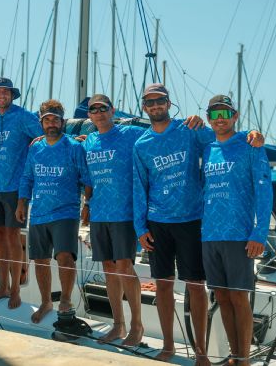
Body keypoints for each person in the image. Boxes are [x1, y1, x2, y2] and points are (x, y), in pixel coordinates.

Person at [133, 85, 264, 363]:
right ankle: (169, 347)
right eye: (150, 102)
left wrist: (254, 135)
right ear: (144, 107)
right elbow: (138, 187)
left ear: (169, 103)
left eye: (160, 101)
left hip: (193, 220)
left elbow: (225, 137)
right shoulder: (141, 144)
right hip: (158, 222)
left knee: (197, 286)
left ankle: (203, 354)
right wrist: (140, 227)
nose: (155, 106)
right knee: (164, 285)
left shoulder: (191, 130)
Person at [81, 93, 203, 346]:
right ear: (89, 115)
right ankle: (118, 325)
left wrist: (192, 121)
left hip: (126, 212)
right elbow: (88, 176)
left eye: (103, 108)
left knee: (125, 267)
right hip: (99, 213)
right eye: (93, 109)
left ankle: (137, 326)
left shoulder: (131, 135)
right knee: (108, 269)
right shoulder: (88, 141)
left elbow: (161, 132)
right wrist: (86, 203)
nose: (99, 113)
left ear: (113, 110)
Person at [202, 95, 272, 366]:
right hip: (210, 234)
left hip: (239, 233)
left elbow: (264, 190)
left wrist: (260, 233)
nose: (220, 120)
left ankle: (244, 359)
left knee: (239, 297)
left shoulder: (250, 145)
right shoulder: (207, 149)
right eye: (214, 115)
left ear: (235, 115)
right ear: (209, 119)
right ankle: (235, 354)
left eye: (225, 114)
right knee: (221, 296)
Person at [16, 100, 92, 323]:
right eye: (47, 119)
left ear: (62, 121)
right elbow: (27, 177)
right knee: (39, 259)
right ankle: (46, 302)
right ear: (41, 122)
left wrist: (87, 204)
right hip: (38, 211)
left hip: (65, 211)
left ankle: (66, 300)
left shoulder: (74, 147)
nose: (51, 123)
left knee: (65, 257)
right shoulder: (35, 147)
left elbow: (86, 179)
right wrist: (22, 203)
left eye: (55, 119)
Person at [0, 77, 43, 309]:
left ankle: (16, 290)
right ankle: (3, 287)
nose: (1, 95)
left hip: (16, 187)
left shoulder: (24, 116)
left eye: (5, 92)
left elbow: (41, 139)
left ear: (11, 95)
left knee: (14, 238)